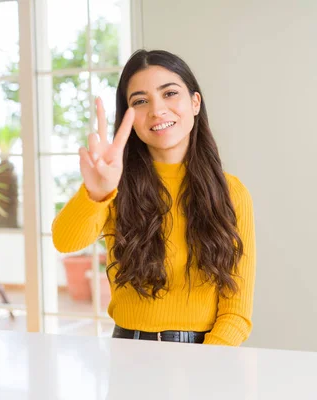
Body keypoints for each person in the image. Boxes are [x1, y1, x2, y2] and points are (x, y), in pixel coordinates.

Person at [52, 49, 256, 346]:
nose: (157, 110)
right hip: (127, 351)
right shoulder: (113, 185)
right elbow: (65, 241)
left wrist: (204, 368)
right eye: (140, 101)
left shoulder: (231, 193)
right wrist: (97, 193)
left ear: (195, 102)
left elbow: (236, 314)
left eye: (170, 93)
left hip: (205, 355)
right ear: (129, 118)